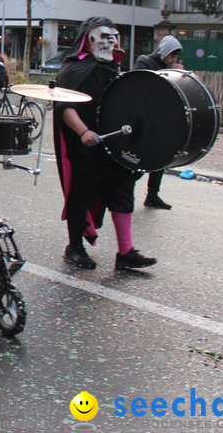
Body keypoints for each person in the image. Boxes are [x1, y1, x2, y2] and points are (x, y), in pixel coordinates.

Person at [53, 17, 156, 271]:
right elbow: (64, 107)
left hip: (115, 145)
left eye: (113, 36)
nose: (109, 41)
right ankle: (74, 247)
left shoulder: (115, 70)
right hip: (87, 147)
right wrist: (84, 132)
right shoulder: (73, 70)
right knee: (82, 195)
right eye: (103, 35)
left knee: (122, 194)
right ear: (87, 39)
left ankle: (126, 251)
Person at [134, 35, 184, 208]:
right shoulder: (144, 61)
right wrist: (170, 73)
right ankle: (125, 190)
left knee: (162, 156)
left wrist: (180, 75)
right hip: (144, 117)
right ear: (163, 52)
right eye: (171, 56)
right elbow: (141, 83)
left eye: (175, 57)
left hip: (160, 117)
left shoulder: (170, 67)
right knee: (140, 159)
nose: (173, 60)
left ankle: (152, 195)